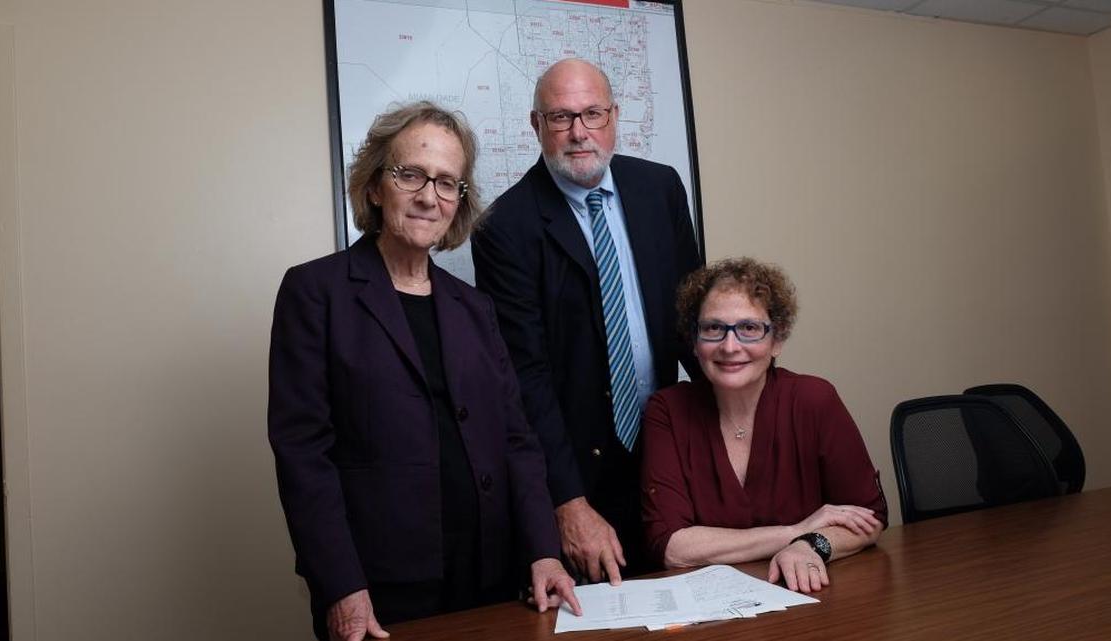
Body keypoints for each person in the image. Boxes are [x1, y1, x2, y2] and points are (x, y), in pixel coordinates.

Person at [268, 101, 579, 641]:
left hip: (491, 573)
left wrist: (543, 551)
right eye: (410, 174)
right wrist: (341, 585)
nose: (427, 196)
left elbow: (516, 440)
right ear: (373, 186)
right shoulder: (315, 292)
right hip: (380, 588)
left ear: (458, 203)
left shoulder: (474, 307)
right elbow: (303, 455)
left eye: (446, 183)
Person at [470, 58, 701, 584]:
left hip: (669, 449)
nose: (579, 133)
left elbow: (694, 320)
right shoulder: (504, 228)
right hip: (579, 470)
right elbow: (524, 377)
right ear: (535, 125)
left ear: (614, 115)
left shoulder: (660, 189)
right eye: (560, 117)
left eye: (593, 113)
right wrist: (568, 504)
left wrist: (741, 430)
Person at [640, 258, 887, 594]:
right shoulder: (667, 411)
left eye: (750, 328)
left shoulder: (815, 400)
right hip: (711, 616)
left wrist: (809, 545)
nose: (730, 346)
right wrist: (795, 532)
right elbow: (673, 548)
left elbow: (867, 518)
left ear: (778, 340)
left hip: (810, 599)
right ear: (694, 342)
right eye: (713, 328)